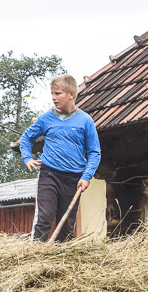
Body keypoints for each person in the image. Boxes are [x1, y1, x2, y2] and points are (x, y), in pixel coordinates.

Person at [19, 75, 101, 241]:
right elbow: (26, 138)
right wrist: (27, 158)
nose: (54, 98)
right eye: (52, 94)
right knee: (44, 219)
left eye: (58, 94)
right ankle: (35, 255)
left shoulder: (85, 121)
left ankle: (63, 262)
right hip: (49, 175)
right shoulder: (46, 118)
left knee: (66, 226)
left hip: (73, 179)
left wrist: (86, 177)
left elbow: (94, 152)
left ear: (71, 94)